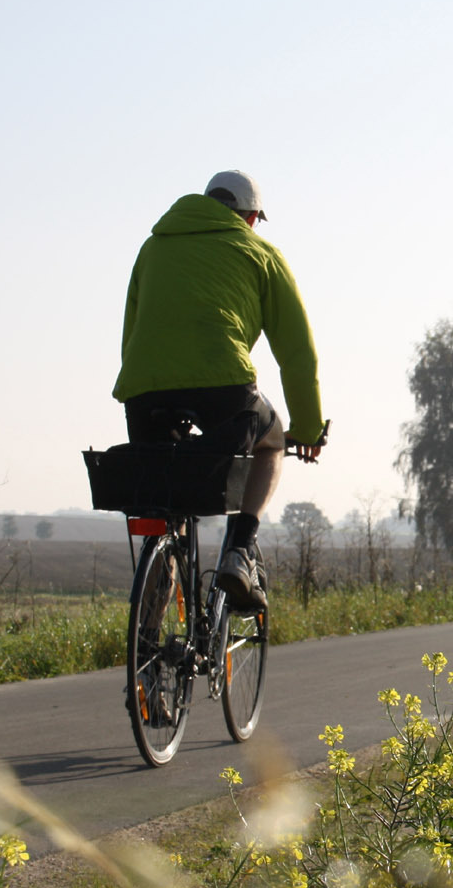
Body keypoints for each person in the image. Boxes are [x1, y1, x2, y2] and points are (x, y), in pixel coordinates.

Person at [113, 170, 326, 606]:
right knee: (269, 442)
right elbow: (298, 352)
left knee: (166, 507)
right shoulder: (260, 252)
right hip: (224, 386)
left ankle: (150, 660)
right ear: (250, 218)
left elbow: (132, 332)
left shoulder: (153, 247)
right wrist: (306, 428)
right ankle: (239, 550)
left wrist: (146, 387)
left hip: (144, 390)